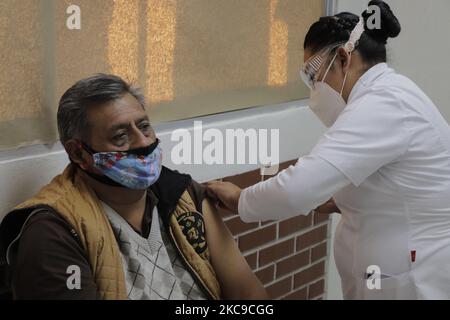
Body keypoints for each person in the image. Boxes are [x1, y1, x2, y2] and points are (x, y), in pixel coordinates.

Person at [206, 0, 450, 299]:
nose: (314, 86)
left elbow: (296, 189)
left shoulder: (383, 104)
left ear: (344, 58)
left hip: (411, 277)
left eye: (313, 72)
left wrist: (240, 199)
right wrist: (333, 198)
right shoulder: (388, 95)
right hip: (391, 268)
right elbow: (386, 185)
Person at [0, 74, 267, 300]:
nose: (142, 142)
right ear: (79, 154)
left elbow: (250, 296)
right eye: (120, 136)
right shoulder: (54, 232)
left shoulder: (183, 195)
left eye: (144, 126)